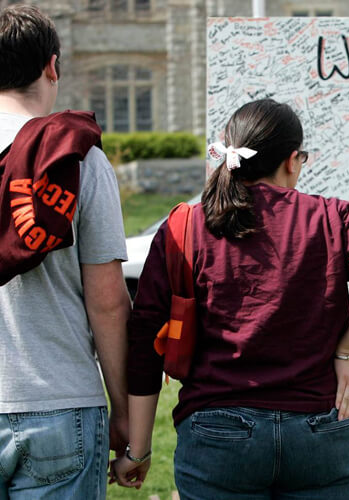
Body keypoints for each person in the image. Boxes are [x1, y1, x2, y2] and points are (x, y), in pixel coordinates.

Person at [115, 98, 349, 498]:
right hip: (321, 427)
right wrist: (347, 351)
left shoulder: (184, 227)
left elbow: (144, 343)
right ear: (292, 160)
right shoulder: (331, 217)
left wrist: (137, 449)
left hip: (217, 431)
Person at [0, 5, 130, 499]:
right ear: (52, 66)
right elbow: (108, 302)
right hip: (59, 401)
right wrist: (124, 410)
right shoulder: (76, 157)